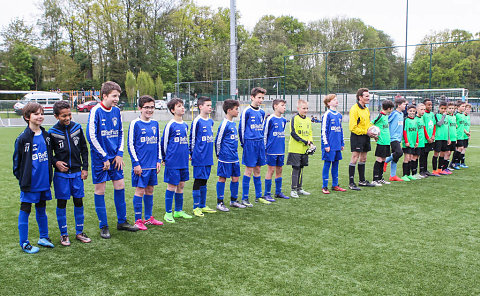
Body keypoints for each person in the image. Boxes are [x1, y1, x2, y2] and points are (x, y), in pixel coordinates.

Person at [87, 81, 138, 239]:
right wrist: (103, 157)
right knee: (100, 190)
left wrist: (119, 153)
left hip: (115, 157)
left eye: (118, 96)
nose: (116, 99)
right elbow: (91, 136)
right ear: (104, 96)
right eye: (114, 96)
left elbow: (121, 133)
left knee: (120, 185)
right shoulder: (96, 111)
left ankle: (121, 222)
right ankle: (103, 226)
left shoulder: (117, 111)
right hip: (100, 159)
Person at [13, 102, 55, 253]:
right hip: (30, 184)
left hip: (44, 182)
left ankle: (43, 237)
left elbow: (50, 157)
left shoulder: (46, 136)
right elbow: (16, 164)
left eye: (42, 113)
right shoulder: (23, 139)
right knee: (25, 209)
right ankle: (24, 242)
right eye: (36, 114)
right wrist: (24, 180)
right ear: (27, 117)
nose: (40, 116)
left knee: (41, 209)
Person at [49, 101, 91, 246]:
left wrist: (85, 168)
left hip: (77, 173)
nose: (67, 118)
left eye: (69, 115)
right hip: (61, 175)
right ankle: (64, 234)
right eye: (63, 116)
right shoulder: (52, 132)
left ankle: (79, 232)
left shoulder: (77, 128)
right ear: (56, 116)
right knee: (62, 202)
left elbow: (84, 150)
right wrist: (56, 163)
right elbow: (49, 155)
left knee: (78, 201)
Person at [127, 95, 163, 231]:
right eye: (146, 107)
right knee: (140, 190)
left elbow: (157, 143)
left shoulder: (155, 124)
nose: (149, 110)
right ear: (140, 108)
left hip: (152, 165)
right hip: (141, 165)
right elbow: (130, 145)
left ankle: (148, 218)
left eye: (152, 107)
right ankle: (138, 220)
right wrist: (136, 163)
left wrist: (158, 160)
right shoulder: (135, 124)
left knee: (150, 189)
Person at [161, 98, 192, 223]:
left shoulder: (185, 125)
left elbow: (185, 142)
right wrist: (164, 158)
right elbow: (164, 143)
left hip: (183, 160)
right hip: (172, 161)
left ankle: (178, 211)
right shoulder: (170, 125)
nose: (182, 108)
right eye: (179, 106)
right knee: (172, 186)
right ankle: (168, 213)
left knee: (181, 185)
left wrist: (188, 153)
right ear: (173, 110)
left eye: (183, 105)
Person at [239, 87, 269, 206]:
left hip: (259, 142)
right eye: (258, 97)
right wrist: (244, 143)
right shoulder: (246, 111)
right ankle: (244, 198)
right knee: (249, 169)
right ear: (252, 97)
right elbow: (241, 128)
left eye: (262, 98)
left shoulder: (262, 112)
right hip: (250, 143)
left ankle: (259, 196)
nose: (260, 100)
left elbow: (261, 128)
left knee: (258, 169)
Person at [215, 99, 245, 212]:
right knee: (222, 178)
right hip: (225, 157)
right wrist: (218, 154)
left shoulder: (233, 123)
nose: (238, 111)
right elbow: (218, 141)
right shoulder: (224, 124)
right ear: (229, 110)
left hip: (234, 157)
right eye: (236, 109)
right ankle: (220, 202)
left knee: (236, 178)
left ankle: (233, 201)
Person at [190, 96, 217, 217]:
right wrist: (192, 153)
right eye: (208, 105)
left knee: (205, 181)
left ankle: (202, 205)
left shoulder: (210, 121)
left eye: (211, 105)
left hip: (208, 157)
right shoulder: (197, 121)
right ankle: (196, 207)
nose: (210, 107)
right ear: (200, 107)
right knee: (198, 180)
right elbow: (192, 139)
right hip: (199, 156)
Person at [348, 88, 376, 190]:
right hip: (357, 136)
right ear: (360, 97)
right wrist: (366, 132)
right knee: (355, 157)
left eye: (369, 96)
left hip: (366, 136)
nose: (369, 98)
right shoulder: (354, 109)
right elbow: (352, 127)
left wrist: (374, 131)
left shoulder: (366, 109)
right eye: (366, 96)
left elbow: (368, 123)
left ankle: (362, 181)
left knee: (363, 158)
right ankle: (351, 183)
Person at [287, 99, 314, 198]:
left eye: (307, 108)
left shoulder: (308, 120)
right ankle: (293, 189)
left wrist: (310, 143)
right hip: (295, 149)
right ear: (298, 108)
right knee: (296, 168)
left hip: (304, 149)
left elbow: (310, 133)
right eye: (303, 108)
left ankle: (299, 188)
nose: (306, 110)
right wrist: (304, 141)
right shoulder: (294, 118)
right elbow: (293, 133)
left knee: (301, 168)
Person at [264, 99, 289, 200]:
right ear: (275, 106)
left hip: (281, 150)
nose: (284, 107)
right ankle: (267, 194)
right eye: (282, 105)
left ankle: (278, 192)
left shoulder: (283, 120)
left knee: (280, 170)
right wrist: (265, 148)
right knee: (271, 170)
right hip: (271, 150)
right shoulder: (270, 119)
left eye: (284, 105)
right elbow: (265, 134)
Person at [320, 94, 347, 194]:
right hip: (329, 146)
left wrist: (342, 142)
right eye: (334, 100)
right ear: (328, 103)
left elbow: (340, 130)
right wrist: (326, 144)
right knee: (327, 164)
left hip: (337, 145)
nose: (336, 101)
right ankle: (324, 186)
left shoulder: (339, 115)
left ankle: (335, 185)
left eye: (336, 99)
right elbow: (323, 131)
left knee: (336, 164)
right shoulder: (327, 114)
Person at [371, 100, 394, 186]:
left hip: (387, 141)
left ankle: (380, 178)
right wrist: (375, 135)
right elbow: (371, 123)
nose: (392, 110)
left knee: (383, 159)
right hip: (381, 141)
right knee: (379, 159)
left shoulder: (386, 116)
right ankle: (375, 179)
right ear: (389, 108)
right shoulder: (380, 116)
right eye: (391, 109)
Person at [384, 97, 406, 181]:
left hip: (398, 138)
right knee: (399, 152)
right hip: (393, 137)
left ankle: (392, 176)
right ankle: (385, 161)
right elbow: (386, 120)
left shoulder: (402, 114)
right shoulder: (394, 113)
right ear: (399, 105)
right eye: (404, 104)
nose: (405, 106)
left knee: (395, 157)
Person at [401, 105, 419, 181]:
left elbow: (417, 131)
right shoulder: (406, 120)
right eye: (410, 111)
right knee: (407, 157)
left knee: (411, 158)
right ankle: (404, 174)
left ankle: (409, 174)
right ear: (407, 111)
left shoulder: (415, 120)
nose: (412, 112)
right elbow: (404, 131)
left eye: (413, 111)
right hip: (407, 142)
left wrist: (417, 141)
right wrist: (406, 141)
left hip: (413, 142)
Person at [419, 99, 437, 177]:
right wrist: (427, 137)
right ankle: (421, 170)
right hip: (425, 139)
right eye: (428, 105)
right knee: (422, 155)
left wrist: (433, 135)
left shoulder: (432, 114)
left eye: (431, 105)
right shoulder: (423, 115)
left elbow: (434, 125)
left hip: (431, 138)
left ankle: (425, 170)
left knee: (426, 154)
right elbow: (424, 127)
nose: (430, 106)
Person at [432, 101, 450, 175]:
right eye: (442, 108)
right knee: (436, 153)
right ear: (439, 108)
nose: (443, 110)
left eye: (445, 109)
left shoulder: (447, 117)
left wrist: (448, 138)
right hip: (438, 138)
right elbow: (439, 124)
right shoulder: (436, 115)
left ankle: (440, 169)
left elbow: (447, 128)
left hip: (444, 138)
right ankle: (434, 170)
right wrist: (443, 116)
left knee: (442, 153)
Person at [413, 103, 429, 179]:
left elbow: (424, 128)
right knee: (415, 157)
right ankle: (414, 173)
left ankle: (421, 172)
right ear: (417, 110)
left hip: (422, 141)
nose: (423, 111)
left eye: (424, 109)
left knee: (421, 156)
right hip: (417, 142)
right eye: (421, 109)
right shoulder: (415, 119)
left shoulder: (422, 118)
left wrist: (427, 137)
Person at [453, 101, 467, 168]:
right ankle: (453, 163)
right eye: (463, 106)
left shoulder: (463, 115)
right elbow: (454, 124)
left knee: (460, 148)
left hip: (461, 135)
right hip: (457, 135)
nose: (464, 108)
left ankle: (456, 162)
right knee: (459, 148)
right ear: (458, 107)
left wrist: (466, 132)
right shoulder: (456, 115)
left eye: (464, 106)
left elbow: (462, 125)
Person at [445, 102, 458, 170]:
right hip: (448, 138)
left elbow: (454, 128)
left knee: (450, 153)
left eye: (452, 108)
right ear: (447, 109)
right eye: (450, 108)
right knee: (447, 152)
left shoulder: (454, 117)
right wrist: (448, 138)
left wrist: (455, 138)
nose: (451, 110)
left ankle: (447, 166)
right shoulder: (446, 117)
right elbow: (446, 128)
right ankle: (444, 167)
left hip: (453, 137)